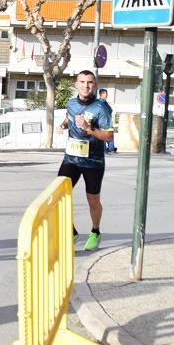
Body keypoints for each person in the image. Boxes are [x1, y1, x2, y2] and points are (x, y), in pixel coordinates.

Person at [56, 70, 114, 251]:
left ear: (94, 85)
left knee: (93, 200)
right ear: (76, 84)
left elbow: (109, 137)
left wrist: (89, 128)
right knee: (58, 196)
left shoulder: (101, 108)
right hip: (71, 159)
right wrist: (63, 125)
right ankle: (71, 232)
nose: (86, 86)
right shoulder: (71, 103)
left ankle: (95, 231)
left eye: (89, 82)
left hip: (93, 161)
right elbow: (70, 117)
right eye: (82, 82)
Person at [98, 89, 116, 153]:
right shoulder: (99, 103)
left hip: (108, 123)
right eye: (106, 94)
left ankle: (111, 149)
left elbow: (110, 110)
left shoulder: (105, 103)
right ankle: (104, 150)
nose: (107, 95)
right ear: (101, 94)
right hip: (103, 123)